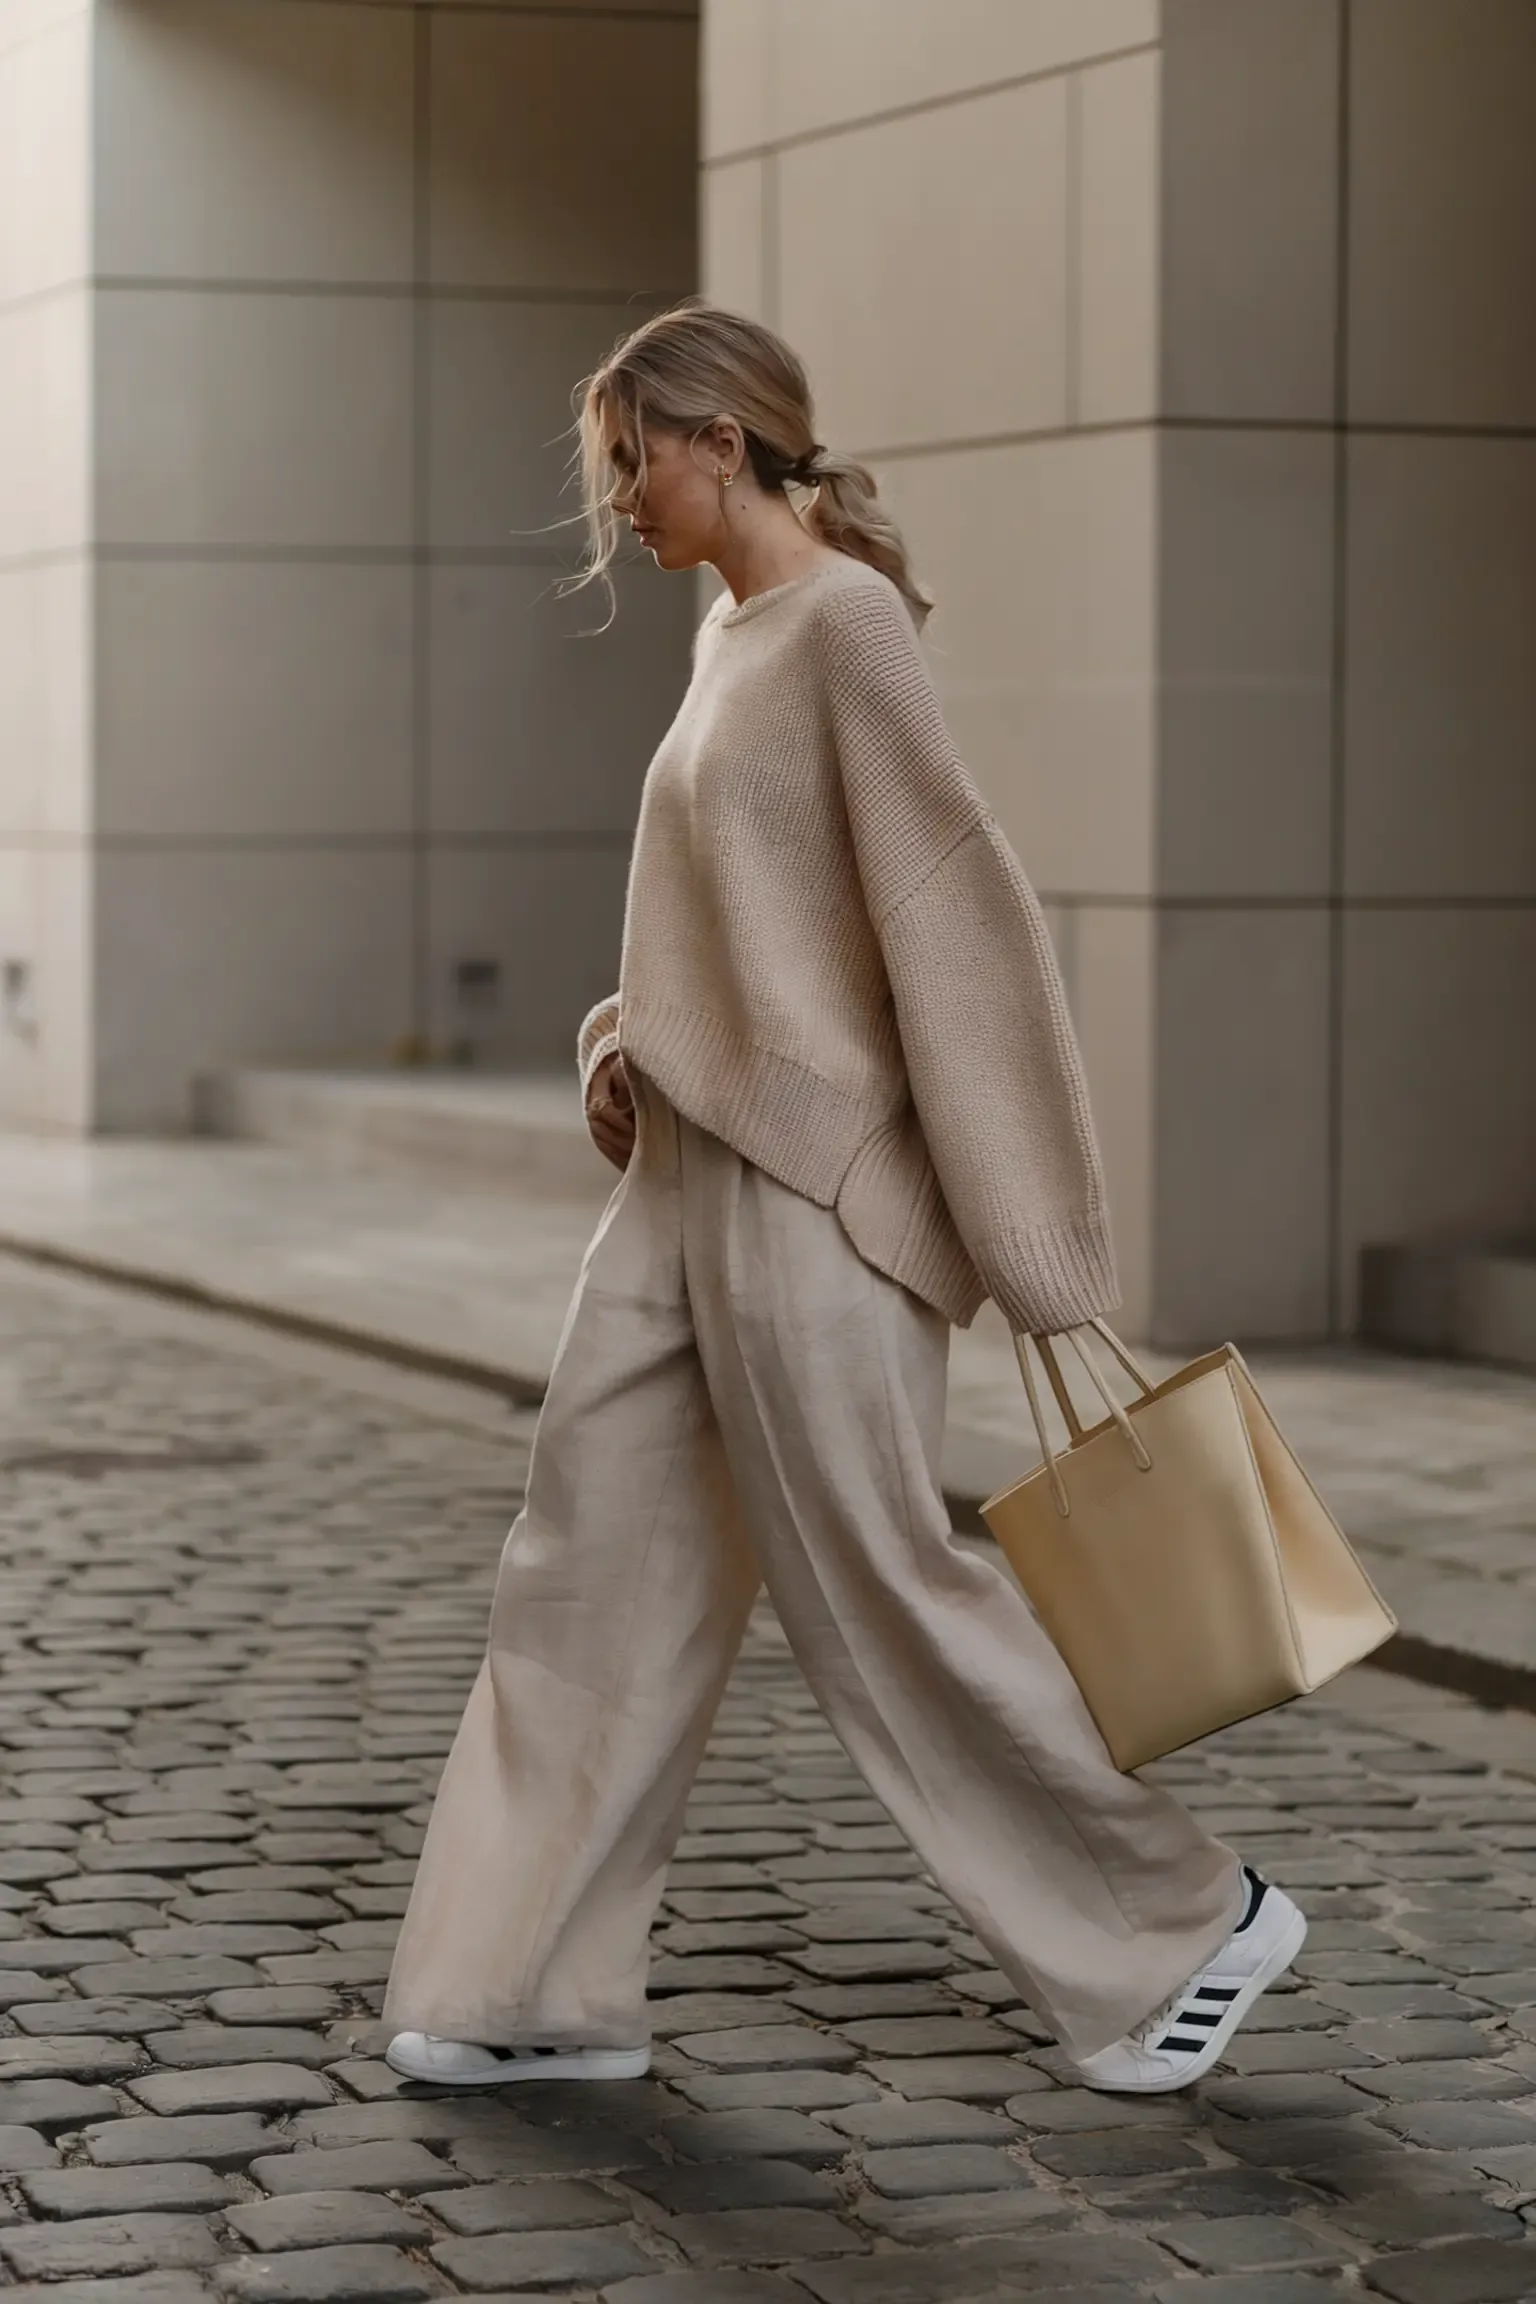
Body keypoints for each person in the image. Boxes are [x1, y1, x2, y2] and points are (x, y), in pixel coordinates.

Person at [381, 301, 1304, 2097]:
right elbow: (728, 918)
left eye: (633, 457)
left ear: (722, 440)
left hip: (817, 1197)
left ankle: (1182, 1929)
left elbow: (962, 927)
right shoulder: (728, 637)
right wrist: (620, 1040)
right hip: (679, 1177)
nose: (620, 499)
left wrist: (1035, 1249)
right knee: (591, 1561)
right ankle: (527, 1983)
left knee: (875, 1581)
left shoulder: (849, 628)